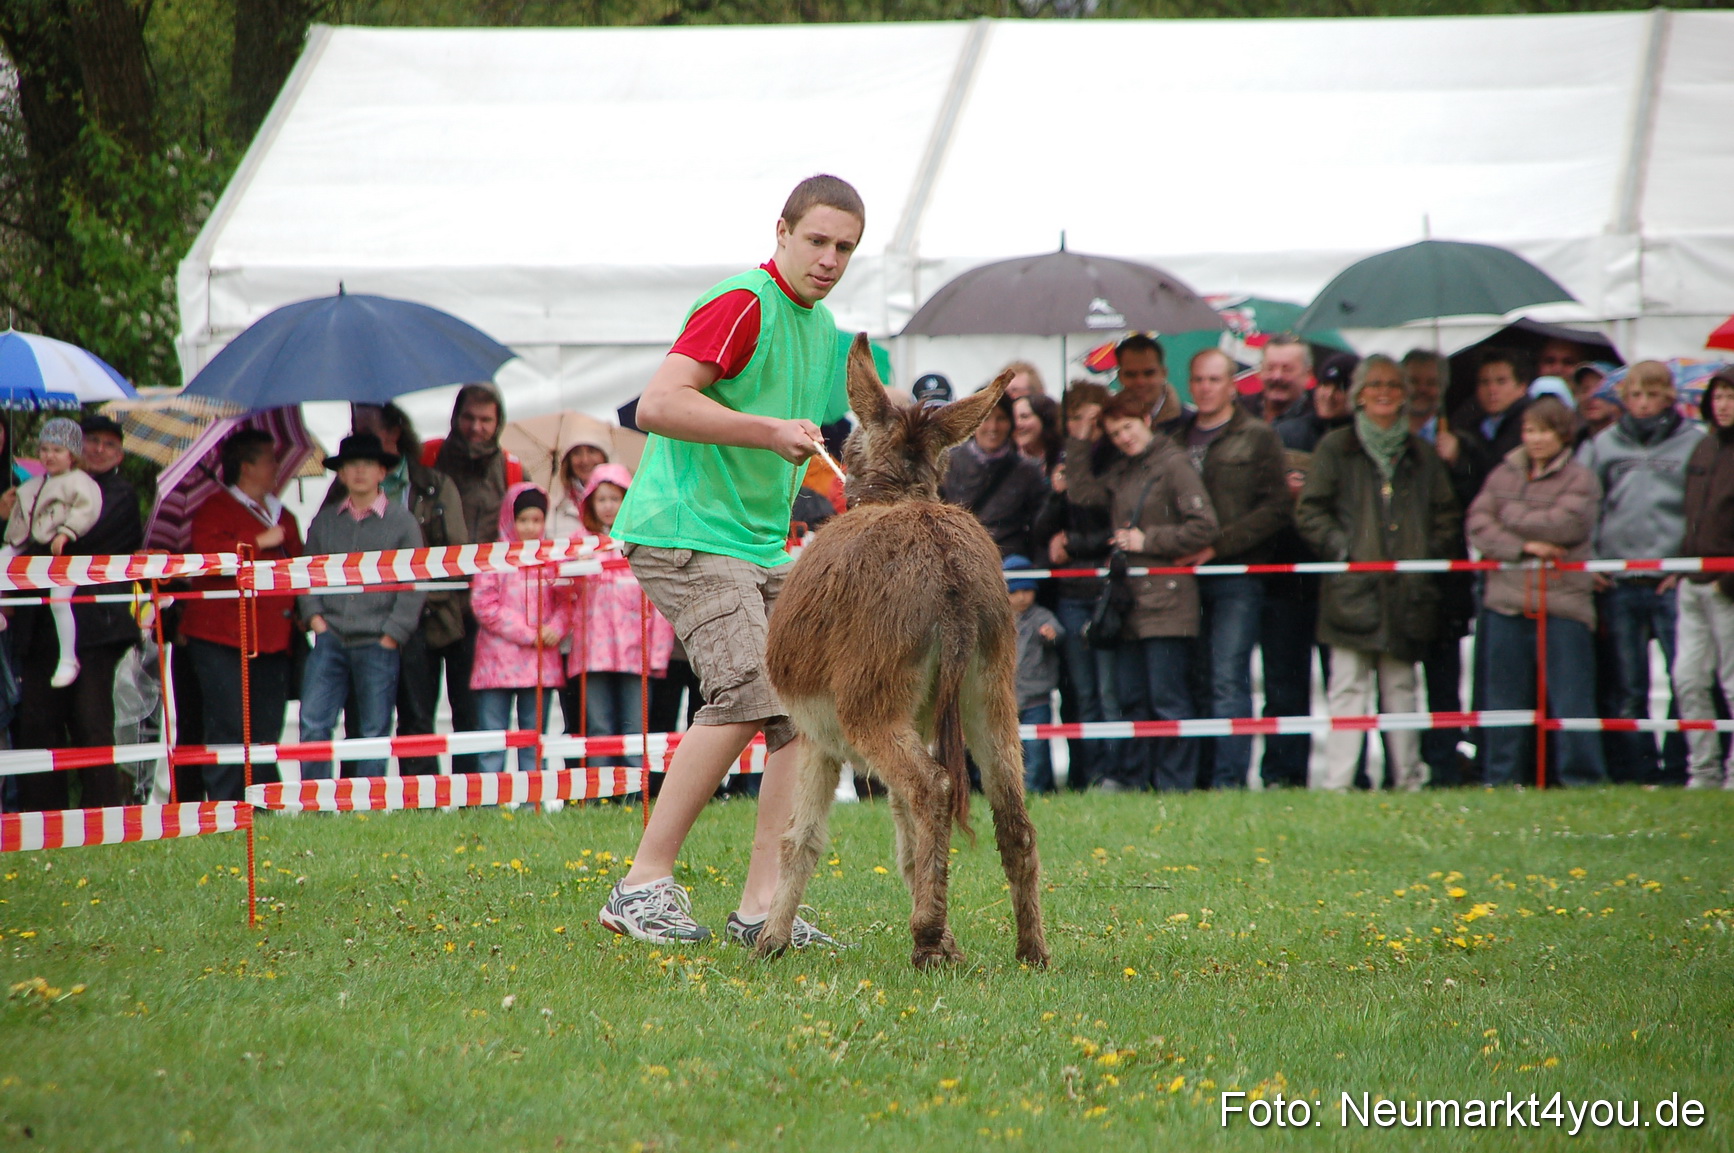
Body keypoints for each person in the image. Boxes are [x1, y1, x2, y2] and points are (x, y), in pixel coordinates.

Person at [597, 174, 862, 947]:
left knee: (807, 704)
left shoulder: (823, 327)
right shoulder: (744, 301)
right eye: (817, 240)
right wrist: (767, 431)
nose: (829, 258)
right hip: (684, 529)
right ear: (781, 231)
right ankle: (640, 885)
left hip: (755, 543)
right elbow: (657, 404)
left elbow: (789, 438)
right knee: (750, 689)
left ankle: (763, 907)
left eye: (845, 247)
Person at [1296, 355, 1460, 791]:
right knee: (1348, 689)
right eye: (1375, 384)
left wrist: (1423, 555)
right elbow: (1310, 512)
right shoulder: (1336, 448)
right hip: (1351, 592)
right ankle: (1339, 784)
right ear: (1358, 395)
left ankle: (1407, 780)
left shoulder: (1423, 454)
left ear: (1405, 395)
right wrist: (1343, 549)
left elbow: (1447, 516)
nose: (1384, 392)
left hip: (1408, 593)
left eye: (1393, 385)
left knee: (1402, 689)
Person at [1066, 390, 1218, 791]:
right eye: (1115, 433)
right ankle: (1137, 781)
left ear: (1147, 421)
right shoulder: (1124, 468)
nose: (1123, 438)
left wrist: (1146, 540)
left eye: (1128, 427)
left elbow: (1204, 526)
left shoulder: (1175, 464)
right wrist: (1080, 438)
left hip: (1168, 601)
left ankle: (1175, 783)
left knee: (1168, 700)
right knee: (1131, 699)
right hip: (1130, 603)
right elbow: (1082, 493)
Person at [1161, 349, 1289, 789]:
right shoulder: (1175, 436)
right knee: (1193, 676)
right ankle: (1199, 779)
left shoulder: (1258, 436)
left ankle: (1228, 780)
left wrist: (1218, 545)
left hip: (1237, 574)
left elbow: (1276, 508)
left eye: (1214, 379)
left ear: (1233, 385)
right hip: (1183, 577)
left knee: (1227, 676)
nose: (1205, 388)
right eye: (1198, 379)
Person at [1466, 396, 1607, 787]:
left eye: (1544, 430)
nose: (1535, 438)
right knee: (1503, 704)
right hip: (1506, 604)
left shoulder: (1580, 478)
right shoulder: (1502, 473)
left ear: (1563, 434)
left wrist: (1509, 516)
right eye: (1529, 430)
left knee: (1571, 701)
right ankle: (1501, 780)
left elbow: (1567, 525)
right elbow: (1477, 523)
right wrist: (1524, 546)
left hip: (1563, 605)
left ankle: (1581, 781)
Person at [1577, 360, 1703, 784]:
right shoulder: (1603, 445)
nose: (1643, 404)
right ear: (1622, 399)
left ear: (1670, 397)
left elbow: (1701, 511)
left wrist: (1685, 564)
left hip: (1671, 576)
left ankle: (1679, 767)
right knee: (1629, 685)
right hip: (1619, 578)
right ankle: (1637, 770)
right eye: (1635, 395)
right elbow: (1586, 505)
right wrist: (1591, 559)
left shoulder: (1694, 443)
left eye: (1652, 395)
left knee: (1683, 678)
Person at [330, 403, 470, 776]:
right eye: (354, 431)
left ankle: (419, 797)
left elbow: (455, 556)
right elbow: (325, 552)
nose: (359, 439)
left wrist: (420, 600)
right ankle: (356, 795)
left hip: (422, 620)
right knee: (360, 719)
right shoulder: (339, 490)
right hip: (360, 624)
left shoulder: (434, 484)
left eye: (367, 432)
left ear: (394, 432)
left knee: (417, 717)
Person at [11, 414, 142, 812]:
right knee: (37, 726)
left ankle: (101, 815)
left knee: (91, 722)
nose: (99, 449)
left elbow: (79, 542)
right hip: (40, 629)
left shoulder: (120, 494)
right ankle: (41, 819)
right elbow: (20, 535)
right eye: (92, 440)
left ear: (120, 454)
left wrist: (43, 534)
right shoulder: (41, 487)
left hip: (95, 629)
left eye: (109, 443)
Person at [179, 429, 304, 800]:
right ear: (246, 467)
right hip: (220, 637)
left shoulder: (283, 515)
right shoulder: (214, 509)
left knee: (266, 728)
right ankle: (226, 803)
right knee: (229, 723)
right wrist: (257, 542)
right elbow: (207, 556)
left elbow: (299, 566)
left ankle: (264, 802)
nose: (276, 466)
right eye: (269, 459)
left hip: (272, 637)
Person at [296, 434, 426, 779]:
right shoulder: (324, 522)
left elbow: (415, 583)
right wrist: (315, 619)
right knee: (313, 723)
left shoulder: (403, 523)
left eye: (368, 464)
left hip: (377, 641)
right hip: (330, 638)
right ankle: (315, 800)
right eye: (351, 465)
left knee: (374, 731)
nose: (359, 471)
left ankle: (369, 802)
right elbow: (305, 574)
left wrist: (393, 633)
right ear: (340, 474)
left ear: (382, 472)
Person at [1033, 382, 1119, 791]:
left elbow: (1109, 524)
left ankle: (1114, 771)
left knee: (1109, 689)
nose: (1083, 427)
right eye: (1076, 418)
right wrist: (1055, 495)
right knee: (1082, 692)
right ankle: (1088, 772)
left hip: (1104, 588)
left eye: (1092, 419)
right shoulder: (1062, 457)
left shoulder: (1113, 459)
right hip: (1070, 592)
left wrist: (1073, 543)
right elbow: (1041, 529)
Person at [565, 463, 674, 768]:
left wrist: (658, 655)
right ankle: (600, 789)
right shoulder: (579, 542)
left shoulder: (645, 541)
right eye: (601, 499)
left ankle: (635, 789)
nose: (608, 506)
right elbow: (560, 592)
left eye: (615, 498)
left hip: (637, 654)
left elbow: (661, 602)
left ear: (628, 500)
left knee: (635, 730)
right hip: (592, 654)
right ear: (589, 503)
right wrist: (575, 563)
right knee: (598, 727)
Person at [1404, 349, 1475, 785]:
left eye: (1431, 382)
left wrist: (1458, 461)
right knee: (1396, 685)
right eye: (1414, 381)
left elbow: (1472, 503)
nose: (1423, 390)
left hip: (1445, 581)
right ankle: (1401, 766)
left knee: (1445, 682)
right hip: (1397, 580)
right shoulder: (1388, 437)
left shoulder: (1460, 439)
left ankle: (1446, 766)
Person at [469, 483, 572, 773]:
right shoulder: (494, 557)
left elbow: (567, 600)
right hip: (497, 663)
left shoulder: (553, 557)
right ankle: (492, 795)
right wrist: (530, 634)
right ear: (509, 519)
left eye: (537, 520)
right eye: (523, 520)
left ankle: (533, 795)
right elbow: (484, 604)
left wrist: (555, 628)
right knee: (493, 739)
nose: (530, 527)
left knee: (533, 740)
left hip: (539, 663)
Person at [1, 418, 100, 687]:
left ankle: (68, 658)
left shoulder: (80, 482)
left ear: (72, 455)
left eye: (57, 450)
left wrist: (66, 532)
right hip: (32, 543)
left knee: (59, 600)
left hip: (69, 551)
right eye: (44, 449)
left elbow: (86, 510)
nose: (49, 455)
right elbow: (23, 520)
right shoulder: (33, 483)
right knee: (1, 561)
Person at [1677, 369, 1734, 789]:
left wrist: (1727, 583)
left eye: (1731, 396)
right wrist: (1680, 567)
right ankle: (1703, 772)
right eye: (1718, 396)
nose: (1723, 404)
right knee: (1688, 680)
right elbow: (1690, 517)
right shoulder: (1704, 446)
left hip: (1726, 586)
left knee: (1732, 684)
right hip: (1692, 581)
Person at [939, 389, 1049, 560]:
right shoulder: (948, 465)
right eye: (986, 418)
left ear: (1011, 423)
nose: (993, 427)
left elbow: (1039, 528)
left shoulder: (1027, 471)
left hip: (1010, 563)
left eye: (1001, 418)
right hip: (960, 560)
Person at [1005, 555, 1063, 793]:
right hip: (1006, 698)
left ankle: (1037, 788)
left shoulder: (1042, 616)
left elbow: (1058, 632)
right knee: (1007, 748)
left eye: (1027, 590)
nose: (1022, 596)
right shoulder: (997, 620)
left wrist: (1052, 634)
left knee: (1037, 747)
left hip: (1037, 697)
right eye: (1015, 591)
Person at [1450, 350, 1531, 499]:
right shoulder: (1469, 423)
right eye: (1484, 382)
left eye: (1501, 381)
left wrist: (1459, 459)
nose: (1492, 390)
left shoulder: (1529, 425)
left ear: (1522, 387)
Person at [1241, 334, 1318, 450]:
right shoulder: (1240, 409)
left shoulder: (1317, 419)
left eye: (1287, 369)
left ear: (1308, 373)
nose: (1277, 376)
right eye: (1270, 368)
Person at [1113, 333, 1183, 423]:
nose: (1140, 382)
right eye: (1131, 374)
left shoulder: (1190, 423)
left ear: (1164, 373)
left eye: (1149, 373)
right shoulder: (1103, 422)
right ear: (1120, 377)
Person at [1013, 393, 1061, 474]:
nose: (1017, 424)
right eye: (1013, 418)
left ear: (1045, 420)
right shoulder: (1005, 463)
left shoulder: (1064, 457)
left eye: (1024, 416)